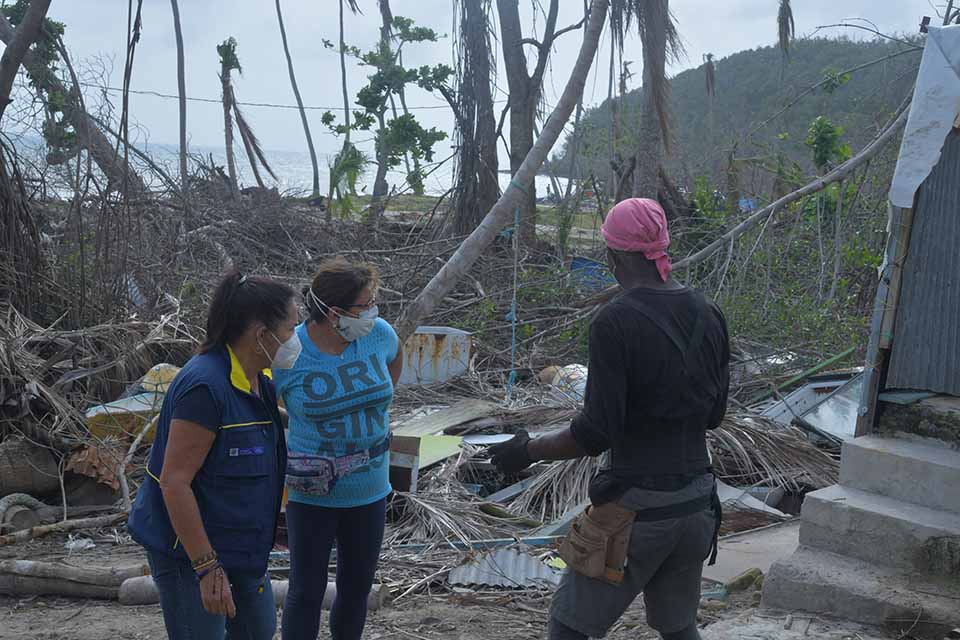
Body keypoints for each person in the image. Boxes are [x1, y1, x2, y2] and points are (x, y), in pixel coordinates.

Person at [490, 198, 730, 640]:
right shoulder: (708, 312)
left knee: (569, 628)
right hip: (696, 506)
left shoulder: (614, 321)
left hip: (635, 512)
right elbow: (715, 415)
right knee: (679, 628)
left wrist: (527, 450)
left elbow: (595, 433)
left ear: (613, 254)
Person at [128, 271, 299, 640]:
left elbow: (250, 422)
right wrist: (206, 566)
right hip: (190, 552)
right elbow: (175, 482)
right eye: (290, 328)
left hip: (242, 545)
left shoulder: (258, 380)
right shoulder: (204, 388)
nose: (295, 339)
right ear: (261, 334)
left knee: (258, 630)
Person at [274, 257, 403, 640]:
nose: (373, 311)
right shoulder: (289, 351)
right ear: (335, 313)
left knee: (356, 589)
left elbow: (393, 366)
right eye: (366, 305)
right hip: (312, 494)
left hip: (370, 489)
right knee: (306, 591)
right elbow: (258, 400)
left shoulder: (379, 334)